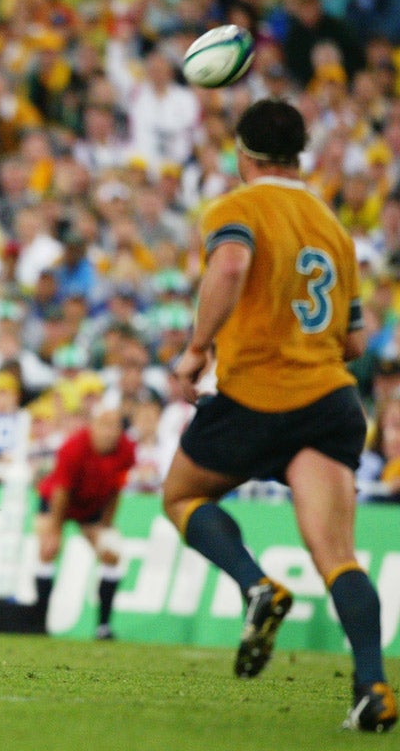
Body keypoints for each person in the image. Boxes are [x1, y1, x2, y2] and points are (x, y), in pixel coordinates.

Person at [162, 98, 396, 733]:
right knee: (337, 554)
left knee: (182, 496)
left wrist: (196, 350)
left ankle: (256, 584)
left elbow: (232, 263)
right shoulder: (333, 227)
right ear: (301, 155)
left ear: (243, 154)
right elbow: (353, 343)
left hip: (256, 395)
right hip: (329, 402)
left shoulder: (236, 208)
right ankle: (372, 687)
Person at [33, 398, 136, 640]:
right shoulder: (73, 447)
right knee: (48, 550)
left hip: (91, 505)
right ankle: (40, 623)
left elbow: (117, 487)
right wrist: (55, 530)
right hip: (57, 502)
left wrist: (107, 524)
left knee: (112, 554)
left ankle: (103, 627)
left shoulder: (127, 449)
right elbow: (61, 491)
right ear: (93, 426)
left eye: (116, 426)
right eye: (105, 425)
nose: (111, 432)